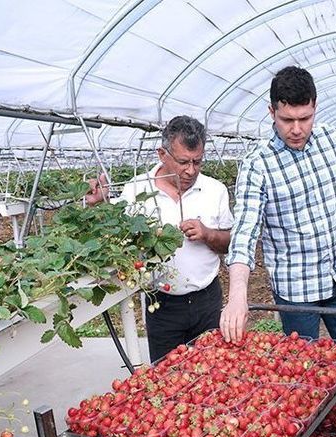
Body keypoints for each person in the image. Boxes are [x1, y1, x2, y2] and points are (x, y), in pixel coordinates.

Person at [220, 65, 336, 437]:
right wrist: (238, 294)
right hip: (295, 288)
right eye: (287, 120)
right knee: (306, 378)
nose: (296, 129)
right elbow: (245, 231)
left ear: (315, 108)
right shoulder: (258, 165)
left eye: (304, 118)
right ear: (271, 112)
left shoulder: (331, 139)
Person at [86, 116, 233, 362]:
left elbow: (230, 243)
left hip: (207, 300)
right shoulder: (136, 190)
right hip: (162, 304)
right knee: (167, 379)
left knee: (213, 373)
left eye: (197, 161)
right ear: (162, 154)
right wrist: (98, 208)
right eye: (183, 161)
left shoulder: (214, 190)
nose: (191, 170)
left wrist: (207, 234)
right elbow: (112, 238)